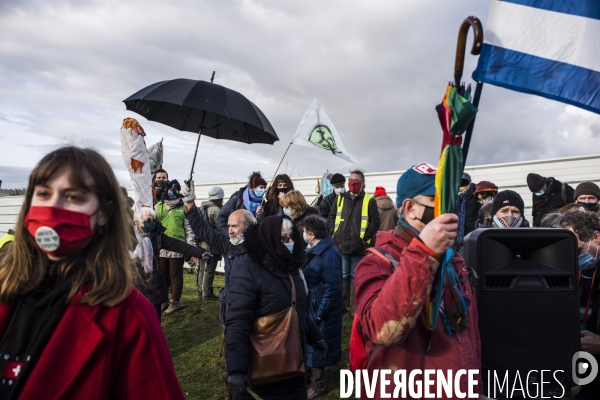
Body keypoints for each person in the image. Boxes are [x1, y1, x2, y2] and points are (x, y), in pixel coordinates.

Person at [0, 146, 184, 399]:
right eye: (43, 193)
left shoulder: (130, 316)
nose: (53, 207)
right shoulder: (5, 286)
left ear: (104, 214)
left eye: (73, 197)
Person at [354, 163, 481, 399]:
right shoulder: (377, 263)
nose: (448, 207)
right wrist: (425, 252)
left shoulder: (454, 260)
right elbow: (384, 332)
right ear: (410, 207)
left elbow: (469, 335)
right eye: (438, 199)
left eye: (450, 198)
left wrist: (475, 390)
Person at [224, 216, 324, 400]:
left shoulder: (290, 265)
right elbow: (238, 322)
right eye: (284, 239)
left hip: (292, 362)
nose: (290, 243)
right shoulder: (247, 269)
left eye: (292, 237)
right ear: (269, 240)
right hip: (263, 369)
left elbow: (296, 308)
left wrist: (315, 336)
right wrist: (237, 372)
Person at [132, 207, 211, 319]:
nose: (151, 224)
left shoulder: (156, 236)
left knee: (154, 319)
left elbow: (178, 245)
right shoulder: (127, 237)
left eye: (153, 221)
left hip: (154, 283)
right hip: (134, 283)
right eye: (147, 221)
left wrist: (200, 253)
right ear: (137, 221)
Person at [301, 215, 342, 399]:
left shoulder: (329, 254)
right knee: (310, 344)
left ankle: (318, 384)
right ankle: (309, 377)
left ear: (311, 234)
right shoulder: (315, 250)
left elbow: (333, 289)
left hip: (320, 309)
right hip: (313, 306)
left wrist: (318, 314)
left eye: (304, 231)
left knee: (317, 345)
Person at [327, 170, 379, 314]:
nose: (353, 183)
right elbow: (331, 217)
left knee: (355, 276)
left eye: (356, 180)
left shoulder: (370, 200)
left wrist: (365, 238)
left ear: (362, 183)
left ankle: (354, 308)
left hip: (358, 245)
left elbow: (375, 221)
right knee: (343, 275)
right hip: (340, 244)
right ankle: (342, 306)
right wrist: (333, 232)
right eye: (350, 179)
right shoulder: (340, 198)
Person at [156, 179, 197, 315]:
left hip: (177, 247)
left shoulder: (182, 208)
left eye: (175, 190)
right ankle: (163, 300)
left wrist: (190, 248)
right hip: (161, 246)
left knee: (175, 275)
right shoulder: (158, 207)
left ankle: (175, 301)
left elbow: (189, 230)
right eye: (170, 189)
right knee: (162, 275)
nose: (172, 192)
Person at [196, 186, 225, 300]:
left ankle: (200, 292)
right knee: (209, 270)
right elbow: (220, 228)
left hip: (201, 244)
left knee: (202, 269)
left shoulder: (201, 207)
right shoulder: (216, 210)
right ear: (220, 198)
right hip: (212, 245)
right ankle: (207, 294)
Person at [455, 173, 478, 244]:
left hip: (473, 235)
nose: (461, 186)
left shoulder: (476, 195)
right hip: (461, 235)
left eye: (463, 183)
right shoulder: (459, 198)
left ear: (469, 182)